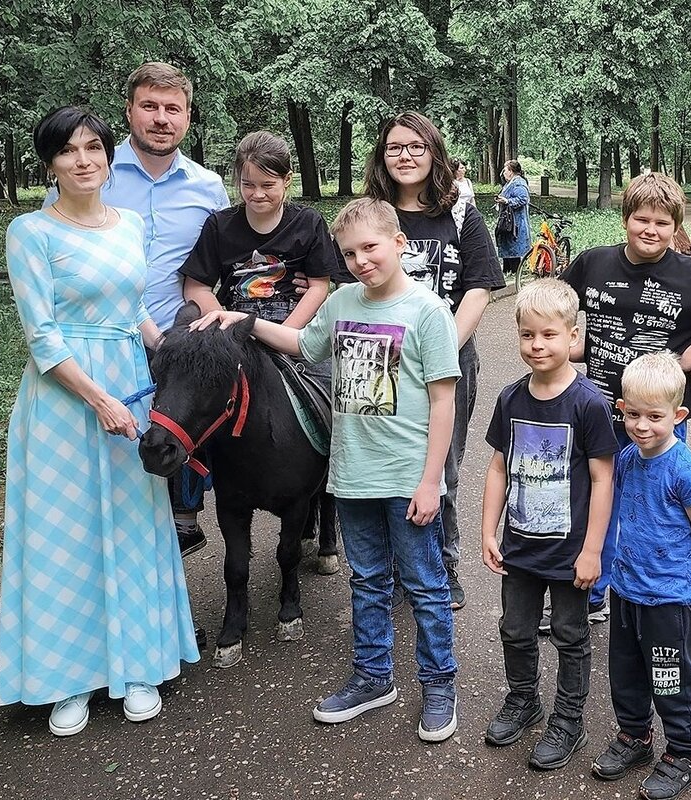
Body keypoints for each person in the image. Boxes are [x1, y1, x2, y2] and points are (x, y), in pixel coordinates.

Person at [191, 197, 462, 742]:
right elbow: (301, 343)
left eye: (371, 247)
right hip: (353, 475)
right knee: (366, 582)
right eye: (349, 252)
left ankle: (439, 685)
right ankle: (373, 676)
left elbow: (442, 402)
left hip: (407, 478)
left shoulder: (428, 312)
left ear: (398, 244)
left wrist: (431, 481)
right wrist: (240, 319)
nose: (362, 260)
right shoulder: (339, 304)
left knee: (425, 586)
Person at [0, 106, 199, 737]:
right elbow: (42, 336)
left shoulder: (130, 224)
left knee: (136, 521)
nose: (84, 160)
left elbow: (133, 303)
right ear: (50, 163)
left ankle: (139, 666)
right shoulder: (31, 232)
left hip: (131, 386)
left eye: (94, 147)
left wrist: (166, 358)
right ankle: (69, 679)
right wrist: (100, 399)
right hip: (63, 399)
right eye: (68, 150)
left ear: (109, 156)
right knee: (66, 534)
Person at [558, 172, 691, 625]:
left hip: (657, 419)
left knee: (651, 507)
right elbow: (558, 303)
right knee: (595, 498)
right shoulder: (594, 263)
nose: (650, 230)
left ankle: (653, 593)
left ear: (676, 227)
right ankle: (592, 592)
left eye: (662, 223)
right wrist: (566, 348)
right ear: (625, 219)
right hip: (599, 407)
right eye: (640, 219)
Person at [46, 62, 231, 558]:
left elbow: (227, 258)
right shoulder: (92, 172)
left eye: (173, 109)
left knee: (176, 464)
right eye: (149, 106)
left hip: (179, 343)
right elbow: (53, 252)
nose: (161, 118)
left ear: (189, 117)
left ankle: (179, 546)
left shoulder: (208, 187)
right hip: (104, 346)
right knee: (114, 478)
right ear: (129, 111)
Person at [364, 111, 504, 611]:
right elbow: (352, 279)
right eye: (394, 147)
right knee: (389, 461)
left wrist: (439, 351)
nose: (405, 155)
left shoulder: (461, 215)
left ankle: (442, 565)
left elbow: (479, 288)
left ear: (434, 153)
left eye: (416, 147)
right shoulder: (372, 217)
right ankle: (398, 567)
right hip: (381, 359)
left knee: (442, 464)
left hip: (449, 362)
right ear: (383, 157)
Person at [480, 279, 617, 770]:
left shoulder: (589, 404)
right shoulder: (512, 398)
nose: (536, 345)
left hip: (570, 551)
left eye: (549, 335)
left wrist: (593, 550)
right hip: (520, 545)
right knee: (515, 630)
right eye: (526, 335)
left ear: (573, 337)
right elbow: (498, 466)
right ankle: (523, 699)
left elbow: (604, 481)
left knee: (569, 634)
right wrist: (487, 530)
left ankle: (568, 719)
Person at [590, 351, 691, 800]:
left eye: (655, 417)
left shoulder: (684, 470)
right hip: (626, 591)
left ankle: (685, 754)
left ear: (678, 415)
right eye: (634, 415)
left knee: (671, 678)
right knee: (625, 670)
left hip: (667, 598)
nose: (642, 426)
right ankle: (635, 736)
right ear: (622, 409)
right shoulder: (628, 458)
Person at [180, 131, 332, 327]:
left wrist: (283, 336)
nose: (258, 194)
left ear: (287, 179)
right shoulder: (219, 226)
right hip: (238, 334)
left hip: (294, 334)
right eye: (248, 185)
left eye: (268, 185)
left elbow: (319, 286)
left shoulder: (308, 223)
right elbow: (196, 287)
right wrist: (230, 329)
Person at [495, 160, 531, 274]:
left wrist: (507, 201)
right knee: (507, 245)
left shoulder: (519, 183)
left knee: (513, 246)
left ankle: (515, 272)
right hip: (507, 220)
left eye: (505, 170)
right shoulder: (510, 183)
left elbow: (522, 199)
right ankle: (507, 270)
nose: (503, 173)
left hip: (516, 221)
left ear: (511, 171)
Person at [452, 158, 476, 231]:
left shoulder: (468, 181)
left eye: (464, 168)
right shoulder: (452, 183)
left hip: (468, 212)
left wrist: (475, 212)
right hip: (456, 214)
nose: (464, 170)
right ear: (456, 170)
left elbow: (472, 198)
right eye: (462, 168)